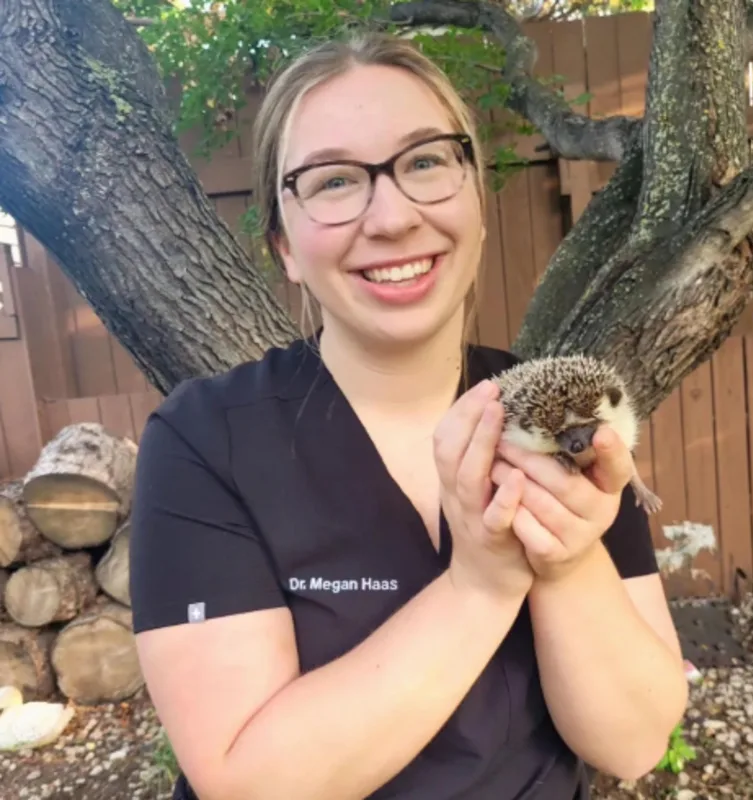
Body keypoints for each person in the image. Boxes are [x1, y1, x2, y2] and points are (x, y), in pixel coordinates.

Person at [129, 31, 688, 800]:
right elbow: (249, 783)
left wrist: (566, 559)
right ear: (283, 245)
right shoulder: (205, 441)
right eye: (333, 181)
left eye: (425, 162)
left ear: (477, 202)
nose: (391, 217)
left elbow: (632, 743)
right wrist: (482, 585)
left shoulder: (565, 414)